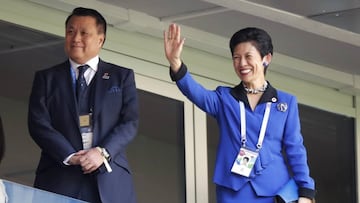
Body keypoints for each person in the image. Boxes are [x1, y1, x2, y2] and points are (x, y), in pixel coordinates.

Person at [164, 24, 315, 203]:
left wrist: (306, 192)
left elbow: (295, 149)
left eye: (248, 56)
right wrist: (175, 63)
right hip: (233, 191)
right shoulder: (225, 99)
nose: (242, 63)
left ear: (266, 58)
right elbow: (196, 93)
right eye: (236, 57)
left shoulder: (285, 103)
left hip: (274, 192)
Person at [28, 7, 139, 203]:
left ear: (100, 39)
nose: (75, 38)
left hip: (110, 181)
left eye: (83, 33)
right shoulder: (47, 78)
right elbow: (38, 123)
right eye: (70, 32)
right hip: (59, 176)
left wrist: (102, 152)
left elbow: (129, 123)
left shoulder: (121, 77)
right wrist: (70, 156)